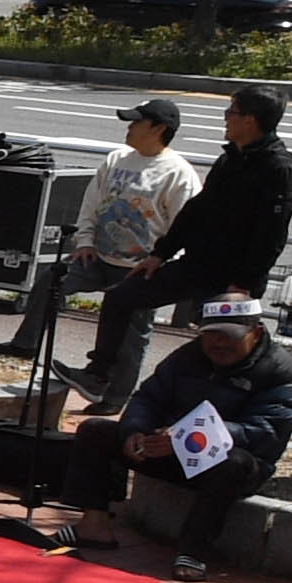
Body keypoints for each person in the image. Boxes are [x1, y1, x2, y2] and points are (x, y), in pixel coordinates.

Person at [64, 295, 292, 577]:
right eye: (211, 335)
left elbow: (266, 431)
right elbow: (148, 397)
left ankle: (193, 551)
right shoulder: (188, 356)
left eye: (230, 336)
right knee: (96, 430)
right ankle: (94, 526)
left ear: (256, 333)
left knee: (235, 462)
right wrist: (136, 431)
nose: (218, 343)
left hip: (228, 463)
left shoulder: (283, 371)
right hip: (167, 450)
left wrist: (186, 438)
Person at [69, 99, 198, 404]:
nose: (129, 127)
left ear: (158, 129)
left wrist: (163, 265)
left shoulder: (179, 174)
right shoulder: (117, 158)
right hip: (97, 255)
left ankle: (115, 398)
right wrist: (84, 240)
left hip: (142, 267)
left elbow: (186, 227)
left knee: (131, 334)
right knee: (51, 283)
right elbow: (91, 203)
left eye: (136, 122)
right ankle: (27, 348)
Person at [144, 82, 292, 305]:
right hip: (197, 266)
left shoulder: (279, 168)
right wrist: (160, 254)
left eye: (230, 112)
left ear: (249, 120)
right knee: (122, 297)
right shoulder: (230, 158)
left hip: (234, 279)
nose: (225, 118)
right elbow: (196, 209)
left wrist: (244, 283)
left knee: (216, 337)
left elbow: (271, 235)